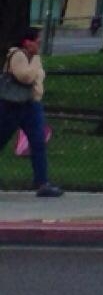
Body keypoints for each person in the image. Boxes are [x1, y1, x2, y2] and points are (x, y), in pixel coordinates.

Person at [1, 29, 61, 197]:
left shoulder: (34, 58)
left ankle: (42, 183)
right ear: (27, 42)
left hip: (31, 105)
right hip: (11, 105)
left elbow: (40, 77)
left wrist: (36, 70)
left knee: (38, 142)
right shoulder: (17, 55)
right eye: (37, 40)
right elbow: (26, 77)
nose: (39, 43)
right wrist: (35, 63)